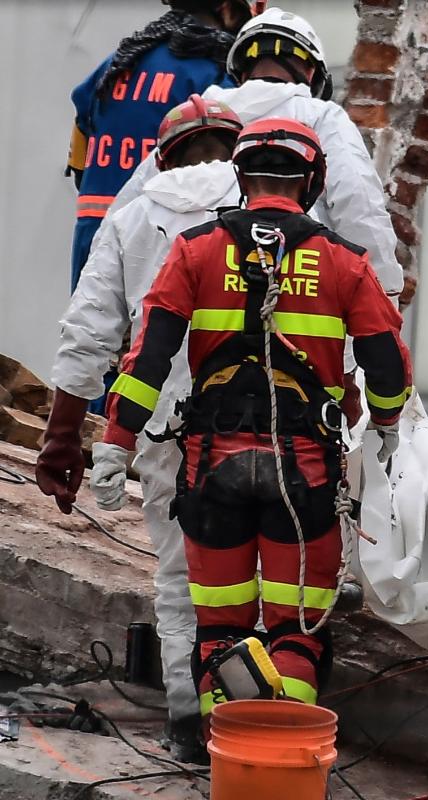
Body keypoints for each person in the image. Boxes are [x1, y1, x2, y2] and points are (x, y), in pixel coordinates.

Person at [89, 118, 410, 739]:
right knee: (296, 632)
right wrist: (389, 428)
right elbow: (387, 365)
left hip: (213, 463)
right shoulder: (344, 261)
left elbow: (148, 357)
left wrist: (115, 445)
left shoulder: (195, 249)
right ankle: (281, 752)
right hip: (305, 469)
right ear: (312, 181)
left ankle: (223, 752)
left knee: (219, 631)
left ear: (240, 176)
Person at [38, 95, 244, 762]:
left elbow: (88, 334)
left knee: (182, 577)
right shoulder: (283, 211)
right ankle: (260, 728)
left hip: (165, 429)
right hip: (274, 431)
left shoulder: (132, 217)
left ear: (163, 157)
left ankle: (188, 724)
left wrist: (62, 438)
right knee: (270, 581)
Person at [108, 7, 406, 307]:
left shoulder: (197, 120)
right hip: (293, 299)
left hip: (183, 303)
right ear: (311, 73)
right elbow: (358, 204)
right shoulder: (321, 117)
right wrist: (384, 296)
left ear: (242, 71)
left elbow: (124, 217)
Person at [67, 0, 260, 291]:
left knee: (89, 318)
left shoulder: (119, 62)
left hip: (93, 232)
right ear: (228, 10)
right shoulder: (214, 75)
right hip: (160, 237)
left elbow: (80, 158)